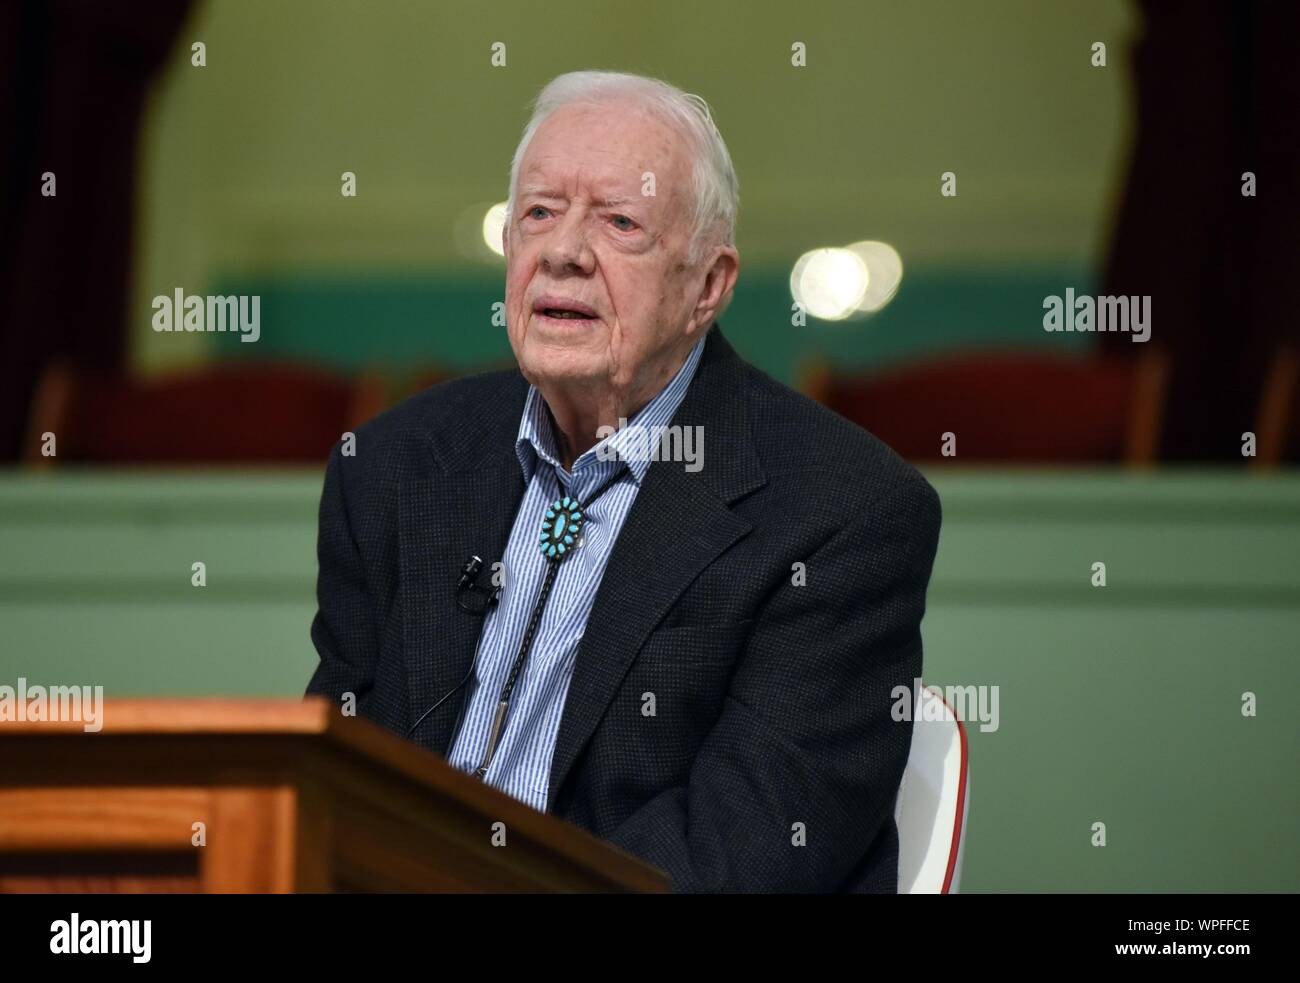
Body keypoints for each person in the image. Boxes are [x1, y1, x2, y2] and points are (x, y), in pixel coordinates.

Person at [307, 70, 941, 892]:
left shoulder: (839, 512)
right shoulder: (392, 467)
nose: (563, 252)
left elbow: (741, 858)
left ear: (706, 287)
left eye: (619, 221)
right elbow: (330, 780)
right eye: (538, 212)